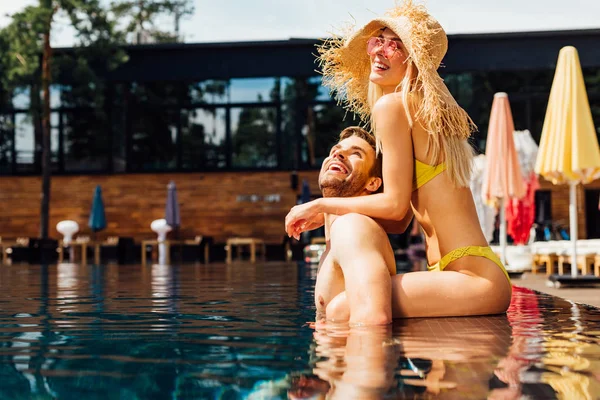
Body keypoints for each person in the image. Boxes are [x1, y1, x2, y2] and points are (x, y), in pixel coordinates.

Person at [285, 0, 512, 318]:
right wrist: (332, 216)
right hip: (467, 272)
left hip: (472, 278)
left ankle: (339, 367)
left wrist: (321, 205)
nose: (381, 50)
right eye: (378, 40)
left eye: (396, 44)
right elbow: (401, 218)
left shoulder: (393, 106)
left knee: (339, 311)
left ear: (414, 61)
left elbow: (393, 204)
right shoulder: (418, 109)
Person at [314, 126, 396, 325]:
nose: (338, 154)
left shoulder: (353, 227)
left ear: (372, 184)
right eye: (335, 150)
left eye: (356, 154)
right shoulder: (339, 233)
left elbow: (373, 319)